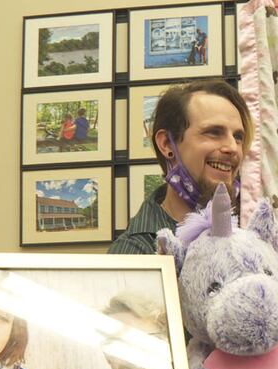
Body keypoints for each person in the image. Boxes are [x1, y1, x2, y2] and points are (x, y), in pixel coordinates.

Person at [108, 78, 253, 254]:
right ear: (167, 144)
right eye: (214, 133)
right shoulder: (135, 254)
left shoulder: (252, 231)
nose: (233, 148)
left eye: (238, 137)